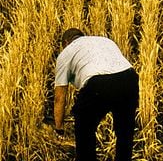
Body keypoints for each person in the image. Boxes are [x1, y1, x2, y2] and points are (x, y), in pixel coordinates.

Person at [52, 28, 139, 161]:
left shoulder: (66, 52)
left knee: (84, 128)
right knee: (125, 132)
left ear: (65, 42)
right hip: (129, 77)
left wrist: (59, 128)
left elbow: (59, 97)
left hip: (98, 83)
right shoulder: (105, 41)